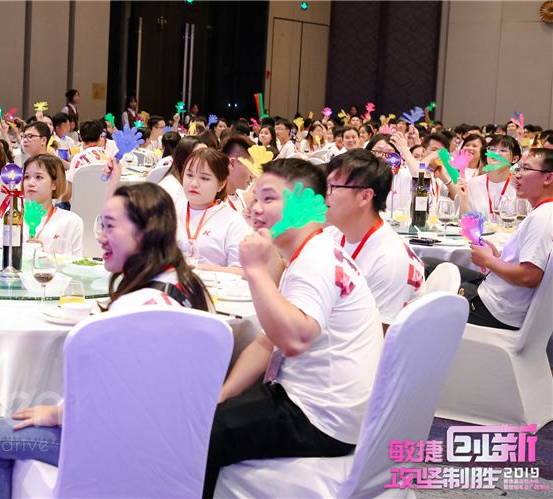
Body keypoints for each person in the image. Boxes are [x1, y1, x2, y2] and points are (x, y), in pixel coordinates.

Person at [0, 182, 211, 498]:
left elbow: (102, 402)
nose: (99, 236)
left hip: (116, 448)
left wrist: (56, 414)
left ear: (144, 232)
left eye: (110, 226)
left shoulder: (132, 310)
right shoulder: (192, 287)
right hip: (179, 449)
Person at [203, 158, 383, 497]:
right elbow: (266, 342)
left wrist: (255, 271)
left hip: (319, 418)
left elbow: (294, 341)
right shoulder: (311, 251)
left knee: (199, 434)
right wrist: (222, 395)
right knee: (208, 410)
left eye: (269, 198)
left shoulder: (315, 260)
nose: (256, 209)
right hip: (325, 407)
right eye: (256, 198)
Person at [426, 148, 553, 330]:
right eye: (518, 168)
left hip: (495, 308)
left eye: (526, 169)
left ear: (548, 177)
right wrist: (497, 256)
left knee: (427, 285)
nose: (517, 174)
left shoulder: (543, 218)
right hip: (495, 290)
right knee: (429, 265)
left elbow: (529, 277)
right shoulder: (542, 212)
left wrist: (488, 260)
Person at [324, 149, 425, 330]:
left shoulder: (390, 260)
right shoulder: (333, 234)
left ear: (365, 196)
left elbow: (378, 336)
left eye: (332, 187)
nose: (323, 195)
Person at [175, 148, 251, 271]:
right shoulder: (170, 209)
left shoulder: (233, 221)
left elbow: (242, 271)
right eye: (189, 175)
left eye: (204, 178)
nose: (194, 183)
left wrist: (198, 268)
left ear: (221, 184)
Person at [22, 154, 83, 257]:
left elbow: (76, 262)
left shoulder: (70, 221)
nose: (30, 183)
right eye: (27, 177)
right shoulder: (10, 218)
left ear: (54, 184)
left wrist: (43, 254)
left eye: (38, 177)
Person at [458, 135, 520, 217]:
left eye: (503, 150)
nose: (496, 153)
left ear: (514, 159)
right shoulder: (474, 183)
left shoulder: (519, 185)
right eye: (492, 149)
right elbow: (465, 220)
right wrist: (463, 199)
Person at [158, 135, 207, 207]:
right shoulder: (172, 189)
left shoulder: (188, 183)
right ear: (184, 158)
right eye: (199, 156)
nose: (207, 160)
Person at [220, 134, 255, 213]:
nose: (253, 175)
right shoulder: (215, 203)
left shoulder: (239, 193)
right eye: (250, 167)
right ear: (232, 164)